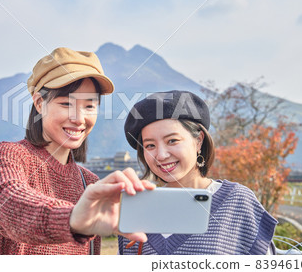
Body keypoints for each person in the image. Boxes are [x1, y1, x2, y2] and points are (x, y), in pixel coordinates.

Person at [0, 47, 155, 255]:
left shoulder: (90, 183)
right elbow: (10, 205)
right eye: (66, 104)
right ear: (39, 103)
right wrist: (73, 218)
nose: (79, 118)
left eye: (89, 106)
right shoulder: (11, 156)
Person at [118, 90, 278, 255]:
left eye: (172, 141)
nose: (160, 155)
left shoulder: (237, 202)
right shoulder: (136, 208)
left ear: (198, 141)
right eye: (150, 145)